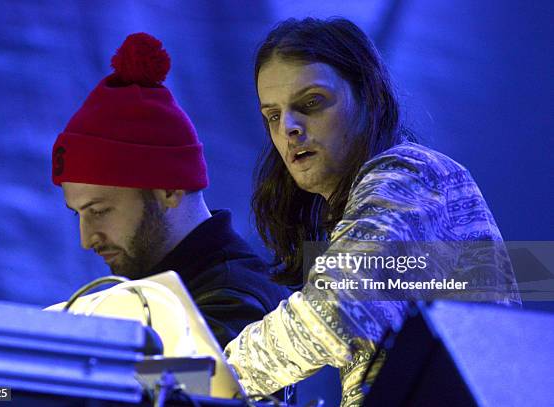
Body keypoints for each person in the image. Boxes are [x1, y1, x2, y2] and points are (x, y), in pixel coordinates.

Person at [224, 17, 521, 406]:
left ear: (368, 95)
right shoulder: (379, 192)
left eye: (311, 102)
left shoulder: (410, 174)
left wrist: (213, 370)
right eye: (273, 116)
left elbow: (333, 314)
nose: (289, 128)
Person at [51, 32, 289, 349]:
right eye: (79, 214)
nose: (86, 239)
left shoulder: (234, 302)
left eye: (99, 211)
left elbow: (199, 386)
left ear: (168, 189)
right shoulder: (146, 294)